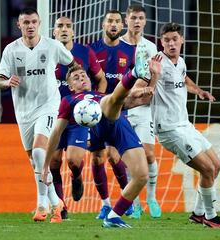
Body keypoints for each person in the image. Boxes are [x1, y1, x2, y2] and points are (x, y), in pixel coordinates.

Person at [42, 54, 163, 228]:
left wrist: (154, 78)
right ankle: (134, 73)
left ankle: (113, 216)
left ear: (90, 80)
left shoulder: (100, 94)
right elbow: (56, 132)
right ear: (70, 86)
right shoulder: (68, 101)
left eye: (83, 75)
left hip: (119, 126)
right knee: (112, 100)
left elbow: (145, 99)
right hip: (100, 126)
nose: (81, 78)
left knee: (142, 175)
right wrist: (45, 166)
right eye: (76, 78)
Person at [0, 7, 77, 223]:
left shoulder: (52, 46)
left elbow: (73, 64)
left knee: (41, 154)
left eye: (33, 22)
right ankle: (56, 202)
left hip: (48, 106)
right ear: (19, 25)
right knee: (34, 162)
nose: (30, 26)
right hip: (23, 112)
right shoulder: (11, 50)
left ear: (39, 23)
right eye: (26, 22)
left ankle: (41, 204)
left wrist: (74, 84)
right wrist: (7, 82)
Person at [149, 22, 220, 228]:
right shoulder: (157, 63)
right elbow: (145, 89)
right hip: (168, 129)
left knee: (216, 165)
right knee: (208, 169)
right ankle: (211, 217)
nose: (171, 43)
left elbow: (184, 79)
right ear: (161, 42)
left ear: (182, 40)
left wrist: (200, 91)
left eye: (175, 39)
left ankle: (198, 213)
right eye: (167, 40)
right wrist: (153, 77)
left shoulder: (181, 62)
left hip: (184, 124)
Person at [50, 16, 107, 220]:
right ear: (54, 32)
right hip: (54, 114)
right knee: (54, 161)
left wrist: (94, 104)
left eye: (68, 26)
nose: (64, 29)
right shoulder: (47, 52)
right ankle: (61, 206)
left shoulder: (84, 52)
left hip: (78, 116)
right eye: (60, 26)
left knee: (74, 161)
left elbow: (100, 79)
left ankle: (76, 176)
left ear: (73, 31)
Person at [89, 9, 136, 219]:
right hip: (93, 112)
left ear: (122, 25)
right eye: (110, 21)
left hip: (117, 111)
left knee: (115, 155)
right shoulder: (92, 50)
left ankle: (129, 202)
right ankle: (106, 204)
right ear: (103, 25)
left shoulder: (130, 51)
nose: (114, 25)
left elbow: (136, 80)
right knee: (98, 158)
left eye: (117, 21)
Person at [120, 4, 161, 219]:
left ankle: (151, 197)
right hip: (123, 110)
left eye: (141, 18)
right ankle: (135, 204)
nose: (137, 21)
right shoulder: (119, 45)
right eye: (133, 17)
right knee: (130, 159)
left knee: (149, 154)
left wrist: (150, 86)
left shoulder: (151, 47)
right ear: (126, 20)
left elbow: (156, 76)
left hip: (144, 108)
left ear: (145, 21)